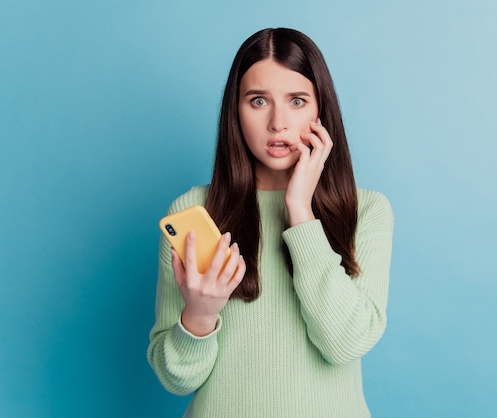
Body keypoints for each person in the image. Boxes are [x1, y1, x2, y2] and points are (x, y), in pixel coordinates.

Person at [147, 27, 394, 418]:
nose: (278, 122)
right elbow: (176, 379)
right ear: (236, 111)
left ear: (320, 111)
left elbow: (345, 343)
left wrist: (300, 211)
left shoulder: (366, 210)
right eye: (258, 100)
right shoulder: (195, 210)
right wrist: (199, 314)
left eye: (297, 100)